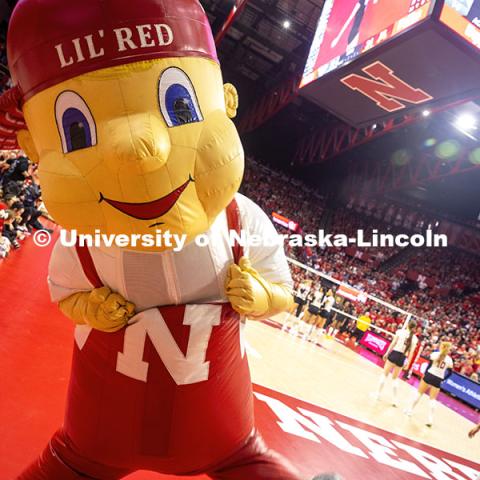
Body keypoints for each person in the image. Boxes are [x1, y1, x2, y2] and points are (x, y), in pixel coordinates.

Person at [405, 341, 454, 427]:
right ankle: (430, 419)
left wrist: (424, 374)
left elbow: (429, 366)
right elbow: (450, 373)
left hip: (429, 374)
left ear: (442, 347)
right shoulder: (449, 360)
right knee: (432, 399)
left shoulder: (435, 354)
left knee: (419, 393)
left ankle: (410, 410)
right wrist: (443, 379)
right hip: (438, 379)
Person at [373, 320, 418, 406]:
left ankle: (378, 394)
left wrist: (387, 353)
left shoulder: (400, 332)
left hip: (395, 353)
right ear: (414, 328)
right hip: (402, 357)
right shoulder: (415, 338)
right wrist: (408, 362)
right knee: (395, 379)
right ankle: (394, 400)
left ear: (408, 325)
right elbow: (411, 352)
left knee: (384, 375)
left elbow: (393, 343)